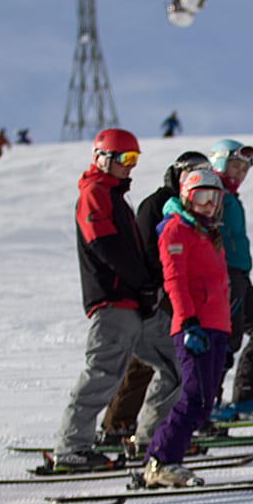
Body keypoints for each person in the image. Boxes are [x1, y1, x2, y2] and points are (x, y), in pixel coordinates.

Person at [51, 128, 181, 470]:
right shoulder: (94, 193)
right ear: (101, 158)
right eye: (124, 159)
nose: (130, 167)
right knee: (103, 372)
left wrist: (149, 286)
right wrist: (141, 283)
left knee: (179, 364)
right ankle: (71, 447)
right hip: (113, 303)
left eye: (134, 159)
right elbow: (104, 246)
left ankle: (153, 439)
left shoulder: (115, 198)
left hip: (138, 305)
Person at [99, 149, 211, 444]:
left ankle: (160, 423)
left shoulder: (194, 206)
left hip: (173, 291)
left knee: (167, 361)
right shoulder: (158, 203)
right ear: (176, 173)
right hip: (157, 291)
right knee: (150, 361)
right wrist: (155, 287)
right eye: (190, 170)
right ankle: (119, 423)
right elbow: (148, 248)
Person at [141, 169, 232, 487]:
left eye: (214, 198)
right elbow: (175, 280)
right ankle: (160, 461)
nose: (208, 204)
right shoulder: (176, 229)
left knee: (205, 403)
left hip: (215, 326)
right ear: (185, 197)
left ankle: (165, 458)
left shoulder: (208, 233)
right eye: (200, 197)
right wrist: (189, 322)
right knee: (193, 398)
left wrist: (225, 329)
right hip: (194, 325)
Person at [207, 139, 253, 419]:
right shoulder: (212, 195)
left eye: (244, 170)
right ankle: (208, 402)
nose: (239, 174)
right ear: (218, 163)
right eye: (234, 166)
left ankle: (247, 395)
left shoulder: (230, 196)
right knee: (228, 339)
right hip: (223, 274)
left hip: (239, 275)